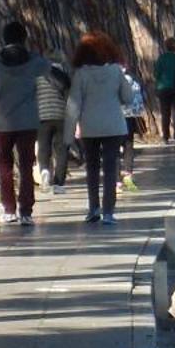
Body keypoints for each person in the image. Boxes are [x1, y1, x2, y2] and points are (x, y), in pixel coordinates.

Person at [0, 20, 51, 227]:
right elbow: (49, 71)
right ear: (24, 38)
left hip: (3, 121)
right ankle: (26, 211)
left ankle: (9, 209)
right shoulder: (34, 61)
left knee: (5, 165)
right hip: (28, 120)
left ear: (4, 39)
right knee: (27, 165)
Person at [64, 32, 130, 224]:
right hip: (113, 125)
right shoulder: (116, 72)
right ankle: (109, 211)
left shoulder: (81, 75)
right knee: (111, 167)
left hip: (89, 127)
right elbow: (128, 97)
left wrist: (68, 137)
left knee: (92, 168)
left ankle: (93, 208)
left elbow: (73, 105)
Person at [35, 51, 73, 190]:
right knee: (62, 150)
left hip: (42, 115)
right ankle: (59, 183)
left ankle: (44, 170)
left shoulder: (37, 76)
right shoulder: (64, 76)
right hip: (62, 116)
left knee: (44, 146)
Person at [118, 54, 146, 192]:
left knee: (114, 148)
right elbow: (143, 95)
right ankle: (128, 174)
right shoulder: (133, 77)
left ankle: (117, 180)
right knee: (129, 146)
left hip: (114, 117)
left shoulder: (110, 78)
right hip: (131, 116)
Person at [154, 38, 175, 141]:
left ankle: (166, 136)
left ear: (165, 47)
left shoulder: (161, 59)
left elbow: (156, 74)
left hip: (163, 88)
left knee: (165, 113)